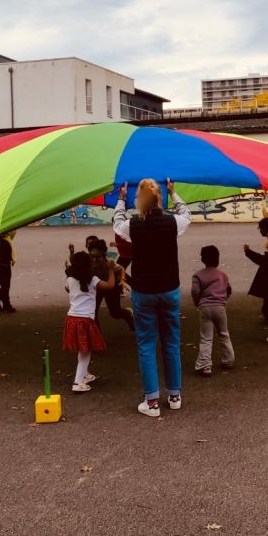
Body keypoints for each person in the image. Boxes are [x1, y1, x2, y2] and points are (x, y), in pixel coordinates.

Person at [113, 178, 190, 418]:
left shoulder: (133, 225)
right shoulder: (172, 222)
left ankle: (152, 401)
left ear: (139, 200)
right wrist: (174, 194)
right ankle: (175, 396)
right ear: (160, 199)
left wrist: (121, 199)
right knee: (171, 342)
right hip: (169, 289)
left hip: (144, 291)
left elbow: (117, 223)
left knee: (146, 344)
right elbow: (186, 215)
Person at [64, 251, 117, 392]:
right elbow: (110, 286)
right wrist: (111, 270)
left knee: (82, 349)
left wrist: (68, 271)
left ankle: (85, 374)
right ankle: (78, 382)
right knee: (86, 352)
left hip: (72, 318)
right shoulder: (93, 279)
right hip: (85, 320)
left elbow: (67, 289)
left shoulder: (70, 279)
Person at [191, 245, 235, 375]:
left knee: (206, 338)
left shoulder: (198, 275)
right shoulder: (223, 275)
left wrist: (197, 302)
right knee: (224, 334)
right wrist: (224, 300)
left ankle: (205, 365)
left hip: (205, 307)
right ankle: (229, 360)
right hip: (220, 307)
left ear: (203, 259)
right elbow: (228, 290)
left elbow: (195, 291)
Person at [88, 238, 135, 331]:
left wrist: (123, 281)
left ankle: (128, 314)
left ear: (104, 255)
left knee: (115, 313)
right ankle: (97, 337)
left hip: (112, 287)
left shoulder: (109, 263)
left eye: (98, 257)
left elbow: (121, 269)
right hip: (97, 287)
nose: (94, 259)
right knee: (92, 312)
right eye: (92, 256)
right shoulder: (88, 263)